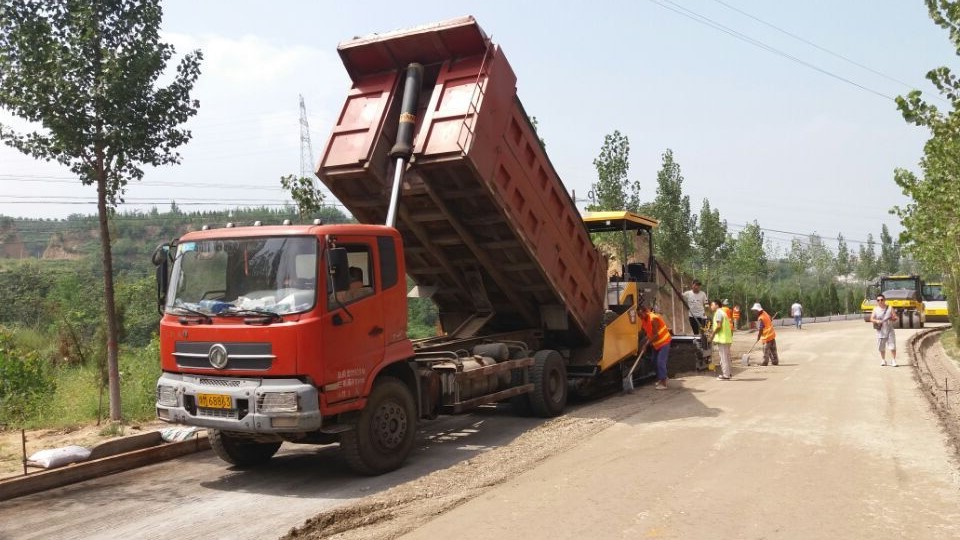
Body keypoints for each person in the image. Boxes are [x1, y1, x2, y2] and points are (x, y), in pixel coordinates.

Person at [638, 305, 672, 390]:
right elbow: (647, 333)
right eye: (638, 315)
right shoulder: (643, 320)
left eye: (641, 314)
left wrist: (646, 345)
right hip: (656, 344)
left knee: (660, 361)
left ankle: (664, 383)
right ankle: (661, 378)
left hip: (664, 342)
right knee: (654, 361)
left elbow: (655, 335)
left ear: (645, 312)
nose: (640, 316)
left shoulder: (653, 319)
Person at [870, 294, 898, 367]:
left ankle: (893, 360)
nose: (880, 301)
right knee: (881, 347)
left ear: (884, 300)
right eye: (878, 300)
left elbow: (895, 317)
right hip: (880, 331)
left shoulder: (890, 308)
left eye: (882, 300)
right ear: (877, 301)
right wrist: (877, 321)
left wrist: (892, 318)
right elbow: (871, 318)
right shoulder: (875, 309)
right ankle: (883, 360)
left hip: (889, 330)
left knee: (892, 346)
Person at [711, 298, 733, 380]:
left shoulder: (718, 313)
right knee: (727, 357)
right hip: (727, 338)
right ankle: (729, 373)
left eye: (712, 305)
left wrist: (712, 334)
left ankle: (726, 375)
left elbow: (719, 326)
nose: (711, 307)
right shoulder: (723, 312)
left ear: (717, 305)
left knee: (723, 357)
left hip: (722, 339)